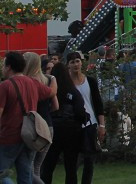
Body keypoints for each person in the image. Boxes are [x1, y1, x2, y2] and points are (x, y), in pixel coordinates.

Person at [0, 51, 55, 184]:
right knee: (25, 174)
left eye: (3, 65)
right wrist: (54, 79)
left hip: (9, 134)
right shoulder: (32, 83)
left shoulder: (5, 85)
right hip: (29, 135)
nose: (2, 68)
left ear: (9, 67)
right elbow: (50, 92)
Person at [41, 62, 89, 184]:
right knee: (71, 168)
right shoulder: (73, 91)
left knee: (48, 167)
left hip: (53, 130)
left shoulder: (49, 91)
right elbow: (79, 111)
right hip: (72, 131)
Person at [63, 52, 103, 184]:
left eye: (77, 61)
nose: (75, 64)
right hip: (72, 124)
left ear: (82, 62)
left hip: (90, 123)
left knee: (89, 159)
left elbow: (98, 103)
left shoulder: (90, 81)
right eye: (72, 62)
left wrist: (102, 125)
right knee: (73, 161)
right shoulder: (65, 83)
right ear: (68, 65)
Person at [24, 52, 57, 184]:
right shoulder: (48, 80)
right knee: (37, 166)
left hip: (33, 127)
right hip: (48, 126)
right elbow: (56, 106)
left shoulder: (27, 82)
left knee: (29, 165)